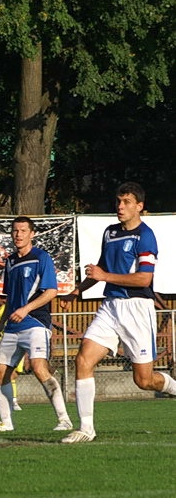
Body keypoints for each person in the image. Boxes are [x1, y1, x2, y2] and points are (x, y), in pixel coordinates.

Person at [59, 182, 176, 443]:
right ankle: (86, 428)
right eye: (118, 201)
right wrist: (77, 291)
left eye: (126, 202)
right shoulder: (110, 232)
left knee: (144, 380)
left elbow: (144, 279)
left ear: (140, 206)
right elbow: (101, 267)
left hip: (136, 308)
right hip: (110, 307)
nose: (120, 207)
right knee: (83, 360)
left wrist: (104, 276)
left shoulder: (145, 236)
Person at [0, 217, 72, 433]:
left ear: (32, 234)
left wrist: (26, 309)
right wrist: (0, 324)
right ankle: (6, 422)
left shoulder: (41, 257)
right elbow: (11, 299)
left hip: (35, 322)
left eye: (23, 230)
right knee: (0, 371)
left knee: (38, 367)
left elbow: (51, 292)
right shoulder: (10, 261)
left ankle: (64, 419)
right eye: (15, 231)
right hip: (13, 326)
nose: (18, 234)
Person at [0, 303, 23, 411]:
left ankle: (8, 399)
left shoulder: (22, 307)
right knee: (3, 372)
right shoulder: (3, 309)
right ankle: (11, 400)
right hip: (6, 343)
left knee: (15, 374)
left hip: (20, 343)